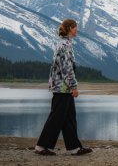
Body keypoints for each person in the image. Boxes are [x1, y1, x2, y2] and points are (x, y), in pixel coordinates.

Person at [35, 19, 92, 156]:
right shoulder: (64, 45)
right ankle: (41, 146)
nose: (77, 30)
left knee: (69, 117)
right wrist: (74, 86)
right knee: (56, 117)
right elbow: (66, 69)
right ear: (70, 28)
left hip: (62, 87)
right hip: (62, 87)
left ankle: (74, 148)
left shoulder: (65, 43)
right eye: (75, 27)